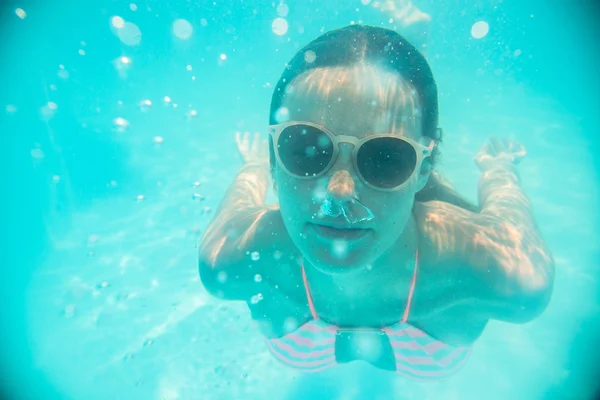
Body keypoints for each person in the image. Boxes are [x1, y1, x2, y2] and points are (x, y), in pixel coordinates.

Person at [198, 24, 554, 380]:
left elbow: (508, 222)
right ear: (275, 161)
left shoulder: (505, 276)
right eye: (305, 150)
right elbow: (241, 203)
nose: (338, 192)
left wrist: (498, 171)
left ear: (424, 169)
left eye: (386, 158)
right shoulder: (230, 259)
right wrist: (252, 168)